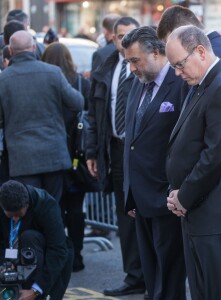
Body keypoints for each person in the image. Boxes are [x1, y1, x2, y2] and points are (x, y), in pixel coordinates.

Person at [165, 25, 221, 300]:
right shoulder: (205, 84)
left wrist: (184, 196)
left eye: (180, 64)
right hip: (202, 211)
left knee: (219, 291)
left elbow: (215, 157)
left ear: (201, 51)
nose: (177, 73)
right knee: (203, 291)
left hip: (217, 212)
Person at [122, 26, 187, 300]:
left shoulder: (180, 83)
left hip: (166, 199)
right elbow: (131, 143)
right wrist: (130, 194)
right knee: (152, 277)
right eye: (128, 62)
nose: (132, 68)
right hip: (140, 199)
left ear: (157, 52)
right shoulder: (137, 86)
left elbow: (185, 144)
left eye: (135, 60)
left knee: (170, 279)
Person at [86, 17, 145, 297]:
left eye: (130, 34)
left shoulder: (145, 67)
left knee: (148, 215)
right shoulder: (106, 66)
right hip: (115, 149)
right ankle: (134, 276)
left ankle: (154, 276)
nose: (125, 41)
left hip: (143, 151)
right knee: (125, 217)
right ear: (113, 39)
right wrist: (92, 152)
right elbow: (94, 115)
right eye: (120, 36)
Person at [0, 31, 84, 201]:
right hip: (54, 154)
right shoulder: (53, 72)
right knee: (52, 209)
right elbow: (78, 102)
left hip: (22, 158)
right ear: (33, 47)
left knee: (29, 210)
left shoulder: (4, 79)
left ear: (10, 50)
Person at [41, 42, 90, 272]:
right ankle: (77, 257)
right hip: (77, 155)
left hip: (51, 155)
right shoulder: (81, 82)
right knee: (76, 209)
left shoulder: (43, 83)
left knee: (56, 208)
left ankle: (60, 255)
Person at [0, 180, 73, 299]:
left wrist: (36, 289)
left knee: (29, 237)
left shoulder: (46, 205)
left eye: (19, 214)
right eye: (11, 216)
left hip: (44, 260)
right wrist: (3, 263)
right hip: (14, 258)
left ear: (27, 204)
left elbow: (58, 250)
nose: (15, 219)